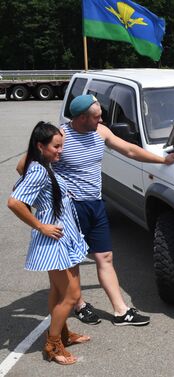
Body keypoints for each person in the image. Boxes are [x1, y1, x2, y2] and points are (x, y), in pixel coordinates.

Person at [17, 94, 174, 326]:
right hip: (71, 209)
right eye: (97, 116)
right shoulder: (61, 137)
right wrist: (49, 195)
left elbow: (130, 150)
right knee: (73, 260)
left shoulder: (100, 132)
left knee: (105, 256)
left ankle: (120, 311)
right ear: (82, 118)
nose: (102, 120)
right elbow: (23, 166)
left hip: (95, 204)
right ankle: (79, 305)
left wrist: (163, 161)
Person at [8, 121, 90, 365]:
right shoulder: (37, 170)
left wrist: (53, 137)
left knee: (58, 291)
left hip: (65, 239)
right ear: (40, 146)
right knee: (72, 294)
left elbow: (20, 165)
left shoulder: (42, 164)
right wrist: (40, 225)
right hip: (53, 240)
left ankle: (62, 334)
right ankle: (53, 345)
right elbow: (15, 202)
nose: (60, 151)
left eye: (61, 145)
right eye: (56, 146)